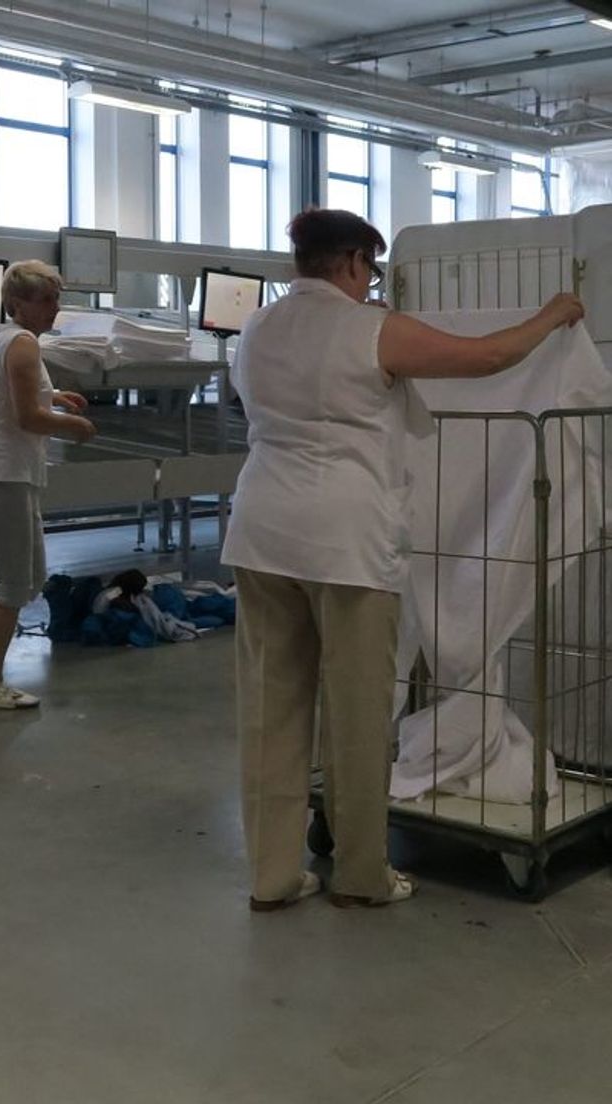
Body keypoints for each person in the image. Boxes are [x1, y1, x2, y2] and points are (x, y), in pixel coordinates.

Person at [223, 208, 585, 912]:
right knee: (357, 713)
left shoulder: (257, 327)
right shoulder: (371, 329)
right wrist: (552, 313)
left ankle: (272, 875)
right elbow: (487, 358)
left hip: (261, 532)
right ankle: (362, 874)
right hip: (346, 542)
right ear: (354, 261)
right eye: (371, 270)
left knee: (270, 709)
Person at [0, 260, 96, 709]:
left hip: (9, 475)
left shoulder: (10, 339)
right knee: (12, 585)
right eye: (46, 299)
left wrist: (55, 396)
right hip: (2, 477)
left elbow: (16, 396)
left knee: (28, 578)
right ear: (17, 304)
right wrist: (73, 425)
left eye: (56, 299)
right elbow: (27, 416)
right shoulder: (23, 343)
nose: (55, 308)